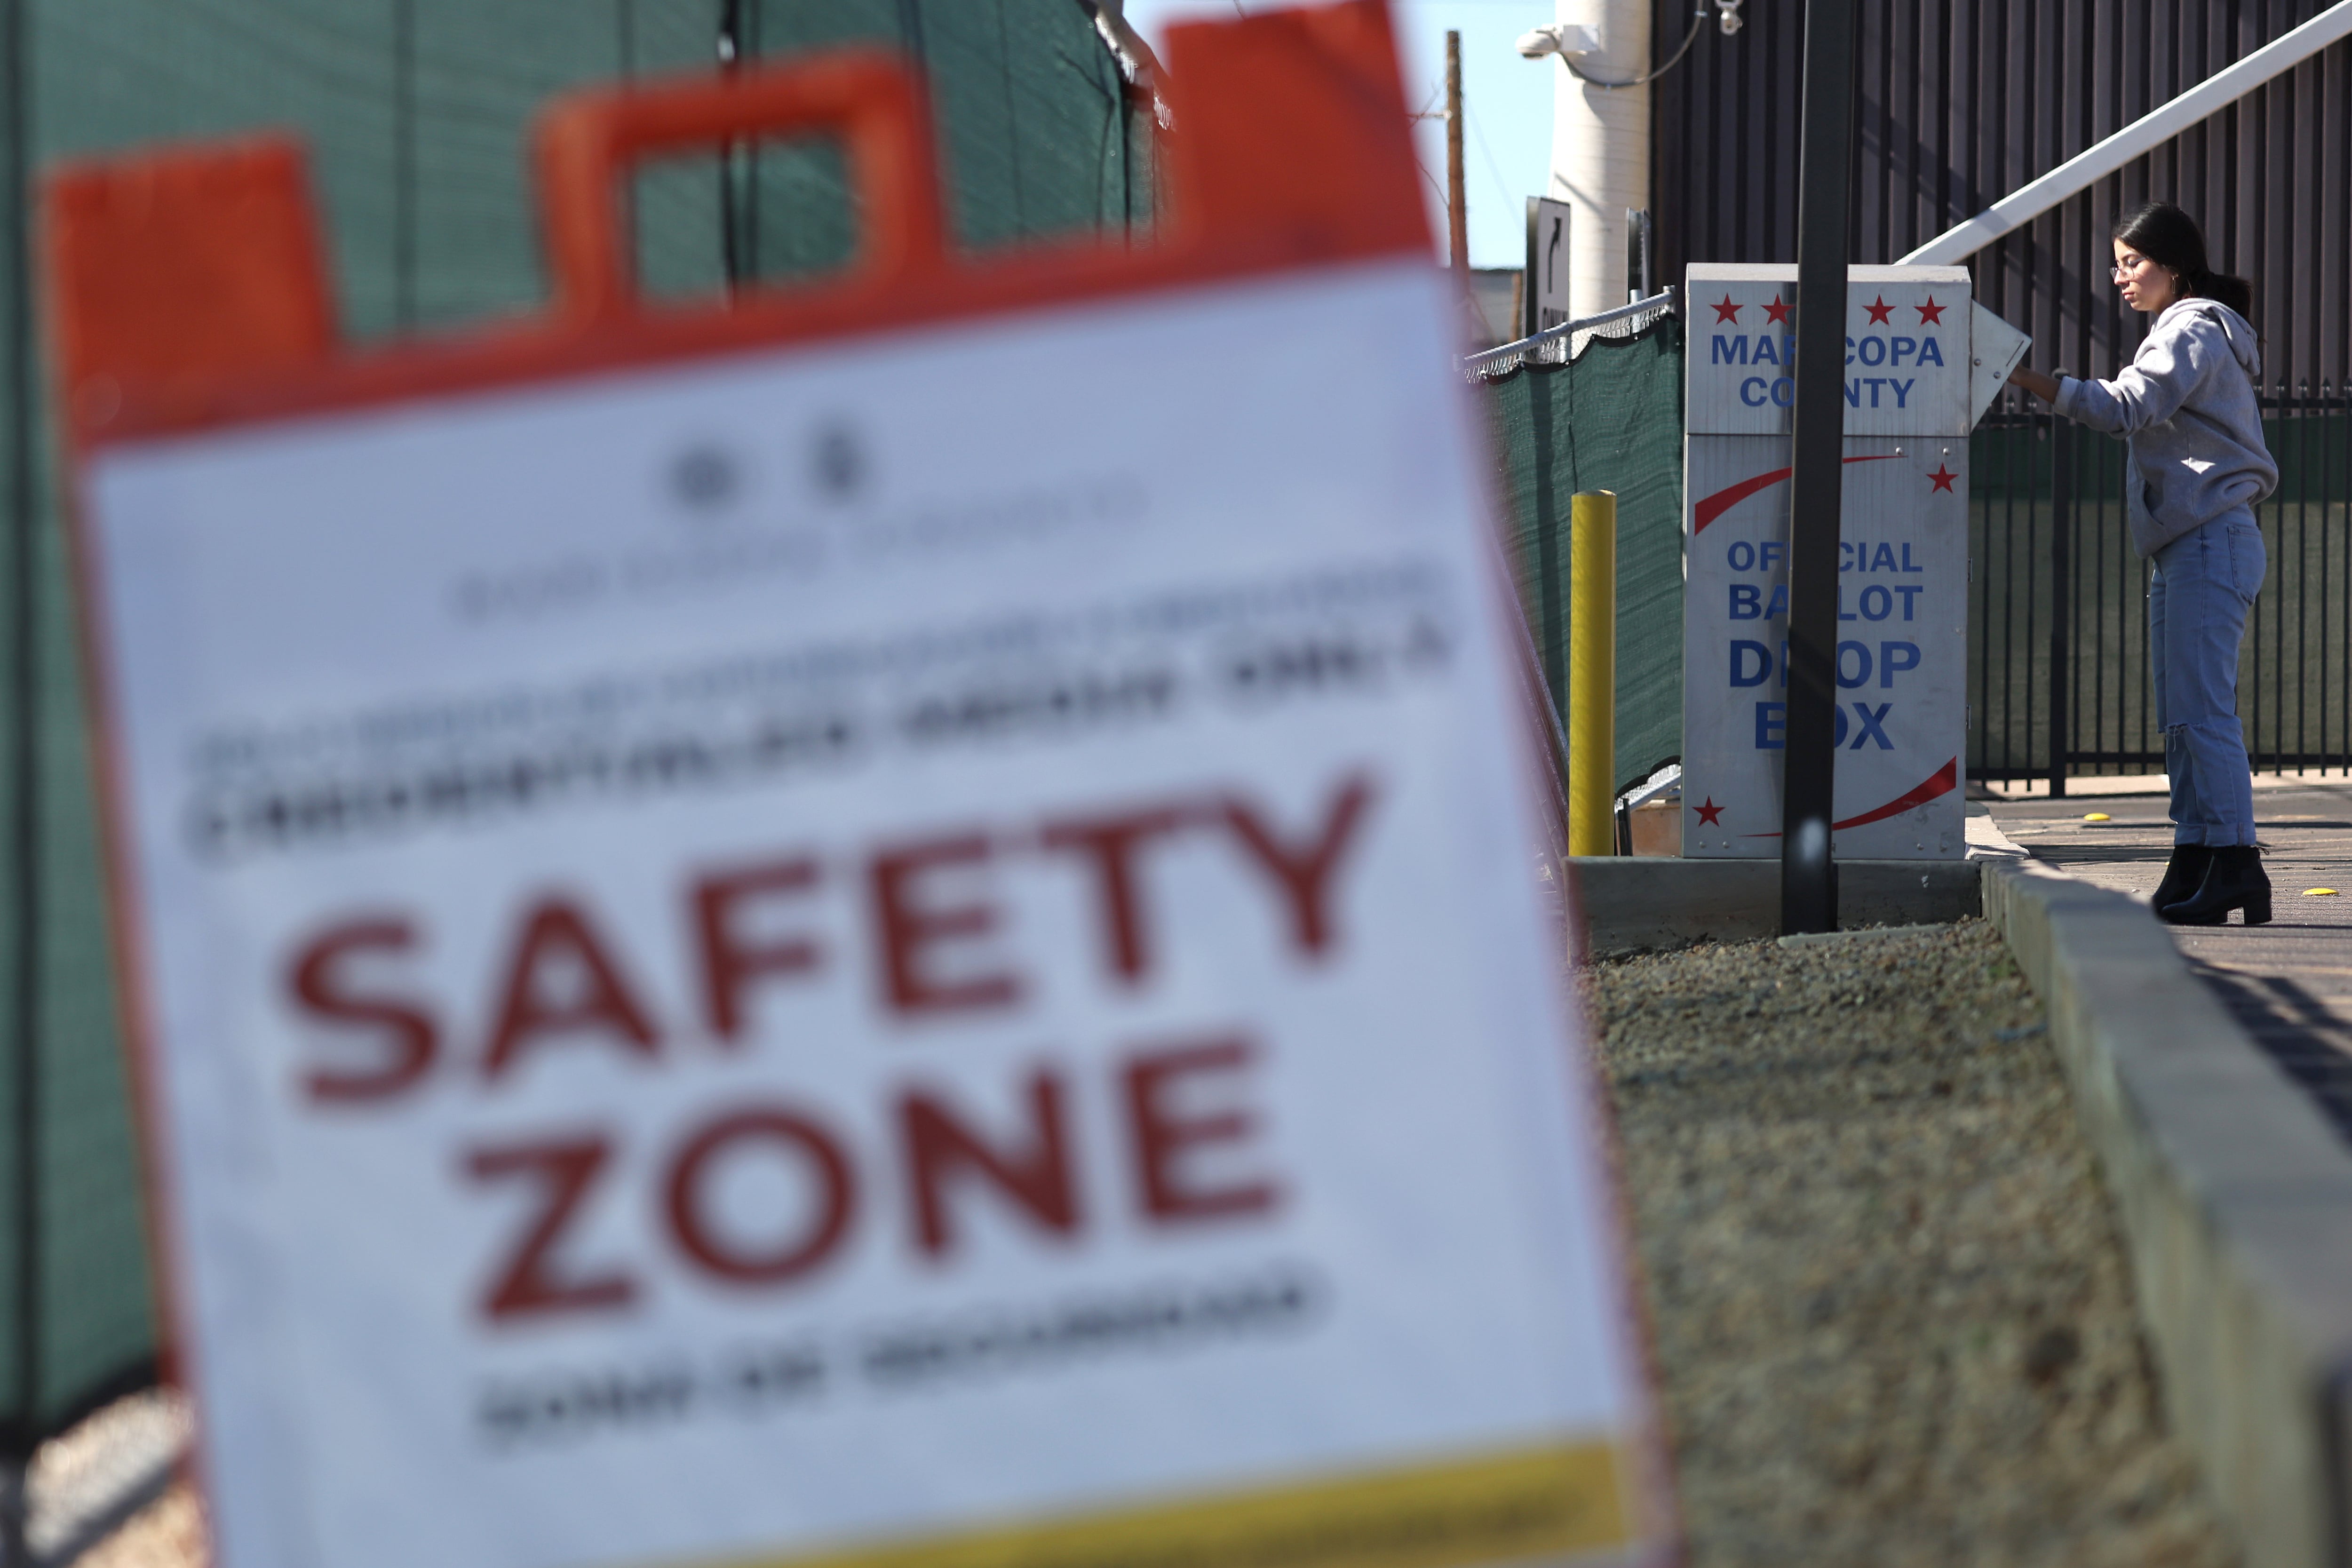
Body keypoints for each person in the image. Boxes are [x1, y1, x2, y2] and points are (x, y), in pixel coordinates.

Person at [2007, 201, 2278, 926]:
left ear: (2175, 265)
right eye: (2115, 264)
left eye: (2133, 262)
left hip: (2208, 538)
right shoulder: (2185, 330)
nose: (2119, 277)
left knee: (2202, 713)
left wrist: (2031, 381)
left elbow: (2126, 406)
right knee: (2182, 717)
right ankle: (2197, 857)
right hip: (2189, 542)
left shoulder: (2192, 328)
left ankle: (2236, 864)